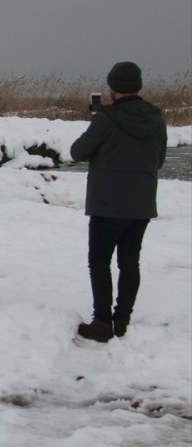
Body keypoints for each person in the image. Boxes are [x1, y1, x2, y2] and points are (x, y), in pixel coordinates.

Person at [70, 61, 167, 342]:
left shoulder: (106, 120)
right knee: (130, 262)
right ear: (138, 86)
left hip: (107, 205)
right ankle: (122, 318)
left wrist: (97, 124)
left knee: (99, 262)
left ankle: (102, 321)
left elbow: (77, 151)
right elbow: (158, 161)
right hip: (141, 205)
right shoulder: (157, 119)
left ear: (112, 89)